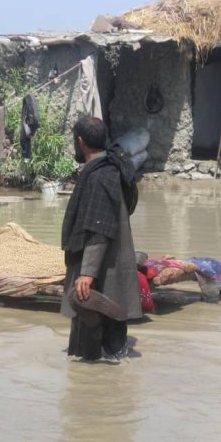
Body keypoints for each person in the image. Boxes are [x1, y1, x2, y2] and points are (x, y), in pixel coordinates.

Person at [60, 116, 142, 361]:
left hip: (101, 266)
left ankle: (99, 386)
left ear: (80, 142)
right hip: (110, 259)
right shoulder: (113, 168)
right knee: (106, 330)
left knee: (99, 331)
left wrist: (87, 273)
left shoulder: (99, 176)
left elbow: (99, 227)